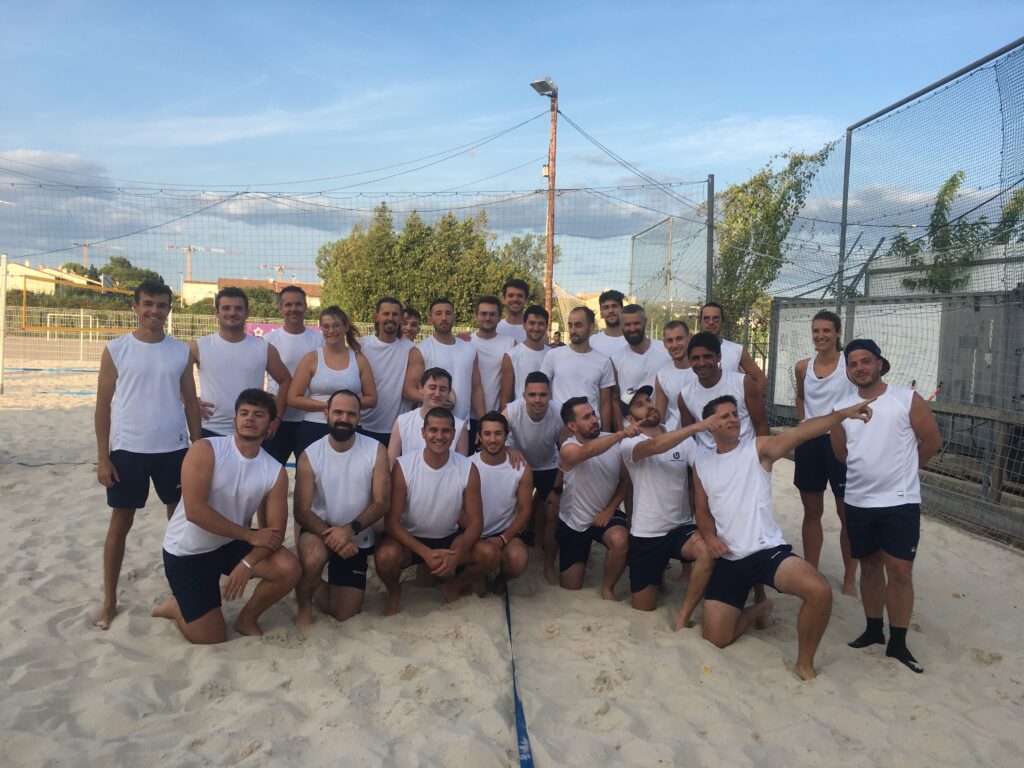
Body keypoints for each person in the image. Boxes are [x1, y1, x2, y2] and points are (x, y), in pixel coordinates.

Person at [694, 394, 874, 680]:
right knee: (716, 638)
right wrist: (709, 536)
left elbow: (801, 431)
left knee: (819, 591)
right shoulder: (702, 463)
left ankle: (804, 663)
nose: (732, 419)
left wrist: (842, 414)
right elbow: (702, 511)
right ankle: (758, 609)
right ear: (709, 425)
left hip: (766, 551)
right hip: (729, 556)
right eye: (724, 416)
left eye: (734, 414)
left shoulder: (758, 448)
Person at [94, 280, 201, 630]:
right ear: (136, 307)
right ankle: (109, 601)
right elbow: (102, 407)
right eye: (148, 304)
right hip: (128, 450)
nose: (154, 311)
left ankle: (182, 592)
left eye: (161, 305)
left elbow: (191, 402)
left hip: (173, 449)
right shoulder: (117, 348)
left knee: (180, 522)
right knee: (120, 523)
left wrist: (197, 447)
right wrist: (103, 457)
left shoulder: (180, 351)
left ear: (170, 309)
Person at [153, 389, 301, 643]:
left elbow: (274, 533)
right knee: (210, 638)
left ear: (271, 425)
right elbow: (195, 511)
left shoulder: (274, 471)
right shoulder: (206, 449)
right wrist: (248, 536)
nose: (249, 419)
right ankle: (176, 606)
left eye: (258, 415)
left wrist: (247, 564)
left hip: (229, 544)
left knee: (289, 568)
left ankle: (247, 619)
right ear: (234, 420)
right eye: (243, 413)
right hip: (187, 551)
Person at [832, 339, 942, 674]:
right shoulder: (842, 408)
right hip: (860, 500)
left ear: (880, 364)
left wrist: (904, 471)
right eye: (852, 364)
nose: (859, 368)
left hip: (900, 501)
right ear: (848, 370)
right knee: (869, 565)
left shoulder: (906, 399)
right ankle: (872, 629)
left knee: (900, 571)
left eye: (866, 361)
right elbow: (842, 454)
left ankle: (898, 642)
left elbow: (933, 441)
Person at [374, 408, 500, 614]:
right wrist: (424, 552)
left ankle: (453, 586)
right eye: (433, 430)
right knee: (385, 556)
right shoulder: (404, 466)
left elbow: (477, 522)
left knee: (491, 554)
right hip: (411, 539)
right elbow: (392, 522)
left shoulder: (467, 468)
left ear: (454, 433)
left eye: (446, 431)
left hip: (449, 538)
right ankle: (395, 592)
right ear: (423, 433)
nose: (439, 436)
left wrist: (457, 554)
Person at [620, 386, 722, 629]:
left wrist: (703, 522)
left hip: (680, 528)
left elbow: (703, 477)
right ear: (630, 419)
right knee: (644, 607)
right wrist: (696, 427)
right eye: (640, 405)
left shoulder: (683, 442)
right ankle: (658, 577)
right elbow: (656, 447)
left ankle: (683, 614)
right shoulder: (628, 443)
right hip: (647, 533)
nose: (649, 405)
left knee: (707, 553)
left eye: (648, 400)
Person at [293, 389, 389, 632]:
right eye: (338, 412)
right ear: (326, 414)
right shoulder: (310, 455)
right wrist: (335, 538)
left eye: (351, 414)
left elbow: (381, 503)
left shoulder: (376, 450)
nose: (344, 418)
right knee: (314, 558)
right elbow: (301, 511)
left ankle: (306, 581)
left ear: (359, 418)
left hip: (356, 534)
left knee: (344, 613)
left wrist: (349, 530)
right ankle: (303, 603)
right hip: (319, 530)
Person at [793, 310, 858, 596]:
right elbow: (800, 396)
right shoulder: (802, 367)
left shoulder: (849, 366)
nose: (820, 335)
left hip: (841, 442)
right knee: (812, 511)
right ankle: (811, 571)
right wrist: (803, 425)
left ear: (838, 333)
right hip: (810, 443)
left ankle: (849, 578)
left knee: (847, 514)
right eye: (816, 330)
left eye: (826, 331)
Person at [556, 397, 637, 598]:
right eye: (587, 417)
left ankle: (608, 588)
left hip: (605, 515)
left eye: (593, 413)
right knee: (571, 587)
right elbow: (586, 452)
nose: (594, 419)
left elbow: (625, 482)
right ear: (572, 426)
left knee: (620, 540)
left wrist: (610, 510)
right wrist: (621, 434)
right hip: (574, 522)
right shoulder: (568, 447)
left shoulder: (616, 442)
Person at [191, 287, 292, 439]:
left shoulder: (264, 348)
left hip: (251, 432)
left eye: (238, 308)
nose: (232, 313)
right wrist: (189, 401)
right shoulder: (198, 346)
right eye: (226, 308)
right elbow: (173, 377)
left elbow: (286, 381)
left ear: (247, 313)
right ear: (217, 314)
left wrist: (276, 417)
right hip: (210, 428)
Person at [288, 306, 377, 456]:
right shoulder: (311, 358)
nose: (331, 331)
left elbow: (372, 398)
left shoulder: (359, 359)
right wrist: (329, 407)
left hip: (348, 428)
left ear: (345, 327)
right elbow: (293, 398)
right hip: (314, 427)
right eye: (326, 326)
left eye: (336, 325)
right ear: (321, 328)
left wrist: (344, 410)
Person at [503, 371, 563, 583]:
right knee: (516, 507)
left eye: (543, 395)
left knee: (552, 510)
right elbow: (493, 432)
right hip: (519, 463)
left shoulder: (559, 411)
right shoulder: (512, 410)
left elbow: (566, 449)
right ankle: (512, 548)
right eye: (532, 395)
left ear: (550, 395)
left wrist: (559, 484)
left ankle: (546, 562)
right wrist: (509, 447)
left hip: (549, 463)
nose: (537, 400)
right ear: (524, 395)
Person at [471, 411, 533, 594]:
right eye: (487, 434)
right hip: (476, 534)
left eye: (498, 433)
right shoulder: (467, 465)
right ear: (479, 437)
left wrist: (502, 539)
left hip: (506, 534)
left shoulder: (521, 468)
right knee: (477, 592)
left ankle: (501, 579)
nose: (492, 439)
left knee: (518, 560)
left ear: (506, 436)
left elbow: (524, 512)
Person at [263, 286, 325, 465]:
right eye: (288, 304)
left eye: (298, 304)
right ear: (281, 308)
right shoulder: (269, 340)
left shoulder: (319, 341)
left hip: (309, 419)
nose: (293, 308)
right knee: (271, 471)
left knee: (309, 474)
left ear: (306, 307)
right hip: (276, 419)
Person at [678, 332, 768, 450]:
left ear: (719, 356)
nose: (701, 363)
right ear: (689, 361)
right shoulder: (685, 396)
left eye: (707, 356)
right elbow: (690, 438)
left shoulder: (743, 383)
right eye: (695, 358)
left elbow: (761, 424)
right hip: (708, 463)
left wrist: (761, 457)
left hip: (745, 461)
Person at [403, 297, 483, 425]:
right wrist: (435, 401)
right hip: (430, 426)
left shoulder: (470, 349)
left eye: (448, 313)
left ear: (454, 317)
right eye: (438, 313)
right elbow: (408, 389)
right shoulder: (420, 350)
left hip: (462, 425)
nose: (444, 318)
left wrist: (483, 421)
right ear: (430, 319)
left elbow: (477, 388)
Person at [541, 306, 615, 431]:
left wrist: (605, 434)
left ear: (591, 327)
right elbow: (542, 389)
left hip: (591, 429)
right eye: (570, 325)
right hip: (560, 429)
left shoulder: (604, 361)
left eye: (578, 325)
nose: (573, 330)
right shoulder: (553, 355)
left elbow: (605, 404)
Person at [358, 296, 413, 447]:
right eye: (386, 314)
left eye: (395, 314)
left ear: (401, 318)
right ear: (376, 317)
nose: (390, 318)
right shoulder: (360, 345)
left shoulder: (410, 349)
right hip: (363, 425)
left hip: (398, 428)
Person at [389, 367, 470, 461]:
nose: (437, 394)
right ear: (421, 388)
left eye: (443, 389)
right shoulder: (402, 421)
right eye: (432, 388)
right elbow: (391, 463)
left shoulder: (460, 426)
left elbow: (462, 466)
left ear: (448, 393)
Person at [469, 295, 515, 446]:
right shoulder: (466, 342)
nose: (487, 317)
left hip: (497, 417)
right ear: (476, 316)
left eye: (492, 314)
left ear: (499, 317)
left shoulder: (509, 343)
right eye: (483, 313)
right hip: (468, 418)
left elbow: (510, 383)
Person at [698, 302, 767, 394]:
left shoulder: (737, 350)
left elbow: (761, 379)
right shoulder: (690, 351)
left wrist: (748, 405)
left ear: (722, 321)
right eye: (706, 318)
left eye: (716, 318)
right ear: (700, 322)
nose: (711, 322)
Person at [611, 304, 671, 408]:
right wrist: (620, 424)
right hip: (630, 423)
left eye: (636, 323)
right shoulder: (616, 359)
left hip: (663, 422)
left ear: (645, 321)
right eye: (627, 324)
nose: (632, 328)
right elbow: (615, 397)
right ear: (621, 325)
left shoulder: (666, 350)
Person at [654, 320, 694, 429]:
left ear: (689, 337)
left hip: (706, 439)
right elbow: (660, 418)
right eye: (670, 340)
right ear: (664, 344)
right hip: (675, 439)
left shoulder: (705, 368)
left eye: (679, 338)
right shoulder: (662, 375)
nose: (675, 345)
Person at [508, 304, 551, 398]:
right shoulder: (511, 356)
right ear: (524, 325)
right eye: (531, 323)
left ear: (546, 326)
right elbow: (505, 398)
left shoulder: (553, 355)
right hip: (521, 412)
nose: (536, 328)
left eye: (540, 324)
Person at [588, 289, 628, 357]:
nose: (611, 311)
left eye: (614, 306)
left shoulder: (633, 340)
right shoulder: (591, 342)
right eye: (606, 307)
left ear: (622, 310)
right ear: (601, 314)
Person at [496, 278, 529, 343]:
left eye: (520, 296)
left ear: (526, 300)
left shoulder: (536, 331)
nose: (515, 299)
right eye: (511, 295)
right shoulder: (495, 329)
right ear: (503, 299)